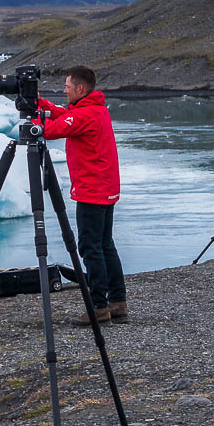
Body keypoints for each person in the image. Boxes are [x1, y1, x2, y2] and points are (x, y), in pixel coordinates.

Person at [37, 65, 124, 326]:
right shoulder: (96, 110)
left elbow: (52, 130)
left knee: (90, 248)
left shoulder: (86, 114)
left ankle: (98, 307)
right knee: (105, 244)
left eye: (67, 86)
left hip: (92, 192)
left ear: (80, 88)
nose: (64, 90)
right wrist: (41, 104)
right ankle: (118, 301)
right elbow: (66, 116)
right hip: (105, 189)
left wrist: (34, 120)